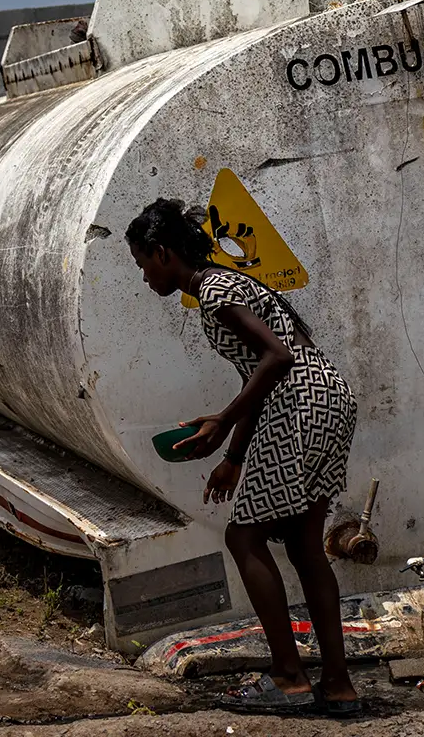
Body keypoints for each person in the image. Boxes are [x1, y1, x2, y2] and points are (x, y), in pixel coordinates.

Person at [126, 198, 362, 718]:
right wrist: (233, 453)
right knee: (304, 545)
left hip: (297, 403)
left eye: (143, 264)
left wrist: (224, 420)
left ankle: (288, 676)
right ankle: (338, 685)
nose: (144, 279)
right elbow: (260, 370)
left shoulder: (211, 291)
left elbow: (278, 358)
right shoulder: (230, 282)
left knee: (243, 535)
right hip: (327, 398)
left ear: (163, 253)